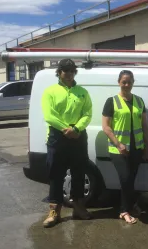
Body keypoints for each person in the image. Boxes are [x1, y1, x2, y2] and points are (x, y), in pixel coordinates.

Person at [41, 58, 93, 228]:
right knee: (56, 174)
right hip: (57, 137)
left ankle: (78, 207)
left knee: (79, 172)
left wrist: (76, 129)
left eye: (72, 71)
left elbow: (88, 113)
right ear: (59, 72)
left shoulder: (82, 92)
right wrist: (66, 129)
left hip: (78, 136)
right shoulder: (50, 91)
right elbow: (49, 115)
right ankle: (54, 211)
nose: (69, 74)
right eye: (65, 71)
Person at [102, 70, 148, 224]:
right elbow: (106, 127)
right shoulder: (112, 101)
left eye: (129, 82)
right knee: (126, 178)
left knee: (131, 180)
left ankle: (130, 205)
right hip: (118, 149)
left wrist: (147, 147)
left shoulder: (139, 101)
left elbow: (144, 126)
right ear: (119, 82)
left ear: (133, 83)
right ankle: (124, 210)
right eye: (124, 82)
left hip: (137, 148)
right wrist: (118, 144)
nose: (127, 85)